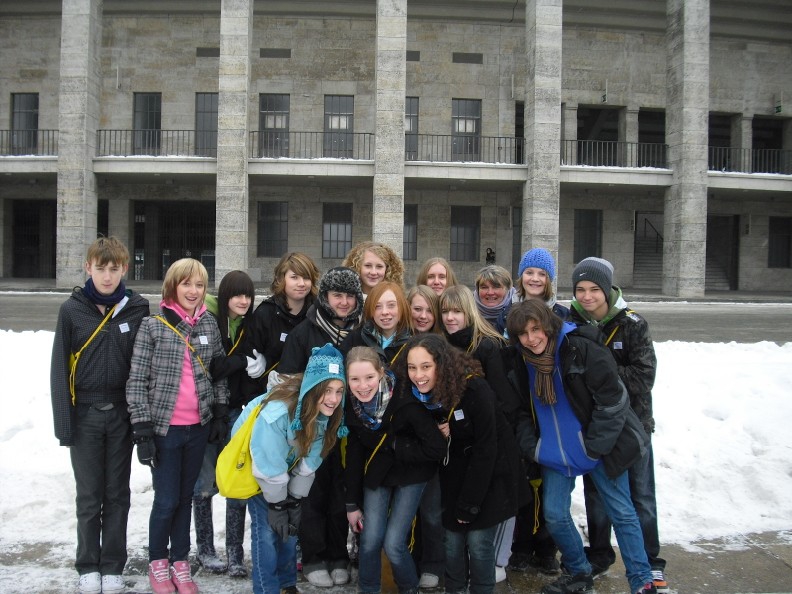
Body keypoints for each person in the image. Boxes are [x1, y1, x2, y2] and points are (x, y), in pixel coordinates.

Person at [505, 299, 655, 594]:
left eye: (536, 329)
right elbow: (521, 410)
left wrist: (594, 448)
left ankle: (642, 580)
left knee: (622, 513)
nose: (531, 338)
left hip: (598, 448)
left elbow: (613, 400)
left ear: (548, 326)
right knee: (555, 514)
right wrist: (534, 448)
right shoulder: (521, 361)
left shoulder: (580, 348)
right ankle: (579, 572)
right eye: (523, 333)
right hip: (554, 452)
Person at [50, 237, 150, 594]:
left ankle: (112, 565)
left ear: (125, 269)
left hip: (122, 412)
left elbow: (145, 366)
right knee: (90, 495)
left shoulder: (137, 308)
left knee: (118, 493)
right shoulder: (72, 310)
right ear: (88, 268)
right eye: (101, 268)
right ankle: (88, 565)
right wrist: (65, 425)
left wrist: (142, 419)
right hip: (86, 414)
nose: (107, 276)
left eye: (114, 269)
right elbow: (59, 369)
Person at [126, 258, 230, 594]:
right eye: (186, 284)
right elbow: (137, 380)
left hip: (198, 428)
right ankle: (158, 561)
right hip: (164, 430)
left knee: (186, 498)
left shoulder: (208, 324)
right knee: (167, 500)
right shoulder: (153, 326)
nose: (193, 291)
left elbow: (217, 373)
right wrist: (142, 429)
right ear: (173, 286)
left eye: (199, 285)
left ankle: (181, 562)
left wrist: (220, 411)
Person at [568, 257, 668, 593]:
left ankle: (651, 561)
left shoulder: (632, 324)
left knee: (641, 496)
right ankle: (599, 553)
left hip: (633, 426)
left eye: (594, 289)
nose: (587, 296)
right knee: (596, 495)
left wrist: (600, 372)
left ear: (608, 290)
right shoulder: (572, 322)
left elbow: (643, 377)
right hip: (594, 426)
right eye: (580, 289)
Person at [399, 334, 522, 594]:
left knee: (478, 544)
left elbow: (487, 448)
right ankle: (454, 589)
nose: (418, 375)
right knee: (452, 541)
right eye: (412, 367)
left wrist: (470, 503)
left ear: (441, 364)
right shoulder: (420, 393)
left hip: (489, 477)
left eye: (426, 366)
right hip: (454, 475)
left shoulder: (474, 388)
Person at [235, 343, 348, 594]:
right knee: (267, 531)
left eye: (339, 391)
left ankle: (287, 585)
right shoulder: (278, 413)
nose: (333, 399)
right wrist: (277, 504)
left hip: (286, 464)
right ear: (313, 387)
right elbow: (266, 459)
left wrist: (295, 498)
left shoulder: (325, 413)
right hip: (258, 468)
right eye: (327, 390)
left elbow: (312, 458)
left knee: (290, 529)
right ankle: (266, 589)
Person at [278, 266, 363, 587]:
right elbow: (288, 381)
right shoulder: (306, 331)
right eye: (337, 295)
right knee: (312, 491)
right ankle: (314, 557)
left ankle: (338, 555)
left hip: (347, 428)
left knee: (341, 492)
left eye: (350, 296)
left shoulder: (361, 330)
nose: (344, 302)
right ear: (325, 296)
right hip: (312, 428)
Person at [344, 346, 446, 594]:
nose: (363, 386)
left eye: (369, 377)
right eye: (355, 379)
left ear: (381, 372)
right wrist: (351, 504)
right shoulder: (353, 405)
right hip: (380, 472)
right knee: (370, 539)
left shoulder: (404, 399)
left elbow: (436, 447)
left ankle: (409, 587)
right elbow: (354, 456)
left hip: (413, 472)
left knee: (393, 543)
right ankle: (368, 589)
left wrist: (397, 446)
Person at [438, 284, 523, 582]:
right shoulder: (442, 345)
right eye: (445, 311)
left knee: (482, 529)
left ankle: (490, 569)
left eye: (457, 311)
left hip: (488, 447)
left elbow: (503, 402)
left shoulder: (486, 346)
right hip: (458, 451)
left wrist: (465, 426)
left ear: (469, 312)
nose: (450, 317)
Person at [192, 270, 262, 577]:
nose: (243, 301)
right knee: (204, 483)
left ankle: (235, 553)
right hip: (205, 412)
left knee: (236, 482)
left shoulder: (249, 324)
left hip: (236, 411)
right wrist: (242, 361)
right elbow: (211, 367)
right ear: (224, 296)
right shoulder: (206, 319)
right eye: (237, 295)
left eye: (248, 295)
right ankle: (205, 549)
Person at [250, 252, 320, 391]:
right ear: (281, 279)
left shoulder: (319, 313)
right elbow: (251, 357)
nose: (301, 283)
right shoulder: (265, 313)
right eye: (294, 277)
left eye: (306, 278)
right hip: (269, 393)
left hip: (310, 392)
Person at [340, 281, 413, 368]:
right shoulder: (356, 338)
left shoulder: (413, 341)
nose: (384, 312)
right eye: (377, 306)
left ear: (402, 307)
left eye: (391, 305)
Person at [498, 248, 568, 333]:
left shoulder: (564, 315)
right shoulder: (505, 315)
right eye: (529, 273)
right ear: (521, 277)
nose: (535, 279)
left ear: (549, 280)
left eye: (542, 274)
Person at [474, 264, 516, 333]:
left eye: (496, 287)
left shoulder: (519, 311)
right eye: (484, 287)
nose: (490, 292)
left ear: (507, 289)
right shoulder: (467, 312)